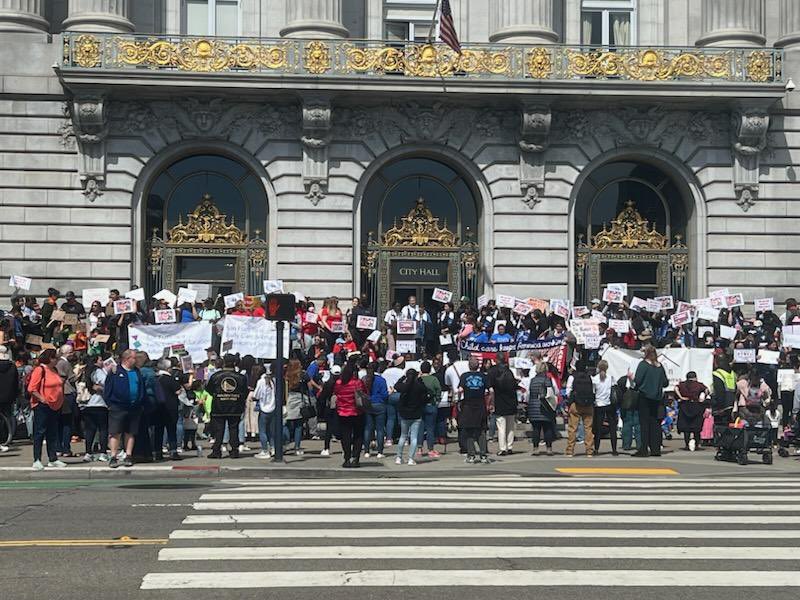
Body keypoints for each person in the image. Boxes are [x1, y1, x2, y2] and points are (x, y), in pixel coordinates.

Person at [104, 349, 145, 468]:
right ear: (127, 359)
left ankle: (128, 455)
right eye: (134, 358)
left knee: (130, 432)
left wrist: (140, 401)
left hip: (134, 407)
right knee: (115, 432)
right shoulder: (115, 371)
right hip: (117, 406)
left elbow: (141, 386)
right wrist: (110, 403)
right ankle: (113, 456)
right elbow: (108, 389)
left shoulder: (137, 371)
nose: (136, 360)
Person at [27, 348, 66, 471]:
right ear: (50, 358)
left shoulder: (54, 370)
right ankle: (37, 459)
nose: (57, 360)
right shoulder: (40, 370)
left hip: (55, 405)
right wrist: (42, 399)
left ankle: (52, 458)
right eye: (55, 358)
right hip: (43, 405)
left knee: (52, 432)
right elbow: (32, 388)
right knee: (39, 432)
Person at [206, 354, 249, 459]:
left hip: (219, 406)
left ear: (224, 362)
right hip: (235, 406)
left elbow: (209, 389)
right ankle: (234, 451)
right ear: (234, 363)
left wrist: (220, 396)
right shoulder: (241, 377)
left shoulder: (216, 376)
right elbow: (245, 392)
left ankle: (217, 451)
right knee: (234, 429)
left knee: (219, 430)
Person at [631, 346, 669, 457]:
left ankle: (643, 449)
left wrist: (633, 378)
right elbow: (665, 383)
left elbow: (638, 380)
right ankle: (655, 449)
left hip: (644, 397)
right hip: (657, 398)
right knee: (655, 424)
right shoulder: (659, 366)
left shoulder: (643, 365)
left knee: (644, 424)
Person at [333, 362, 367, 468]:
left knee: (345, 436)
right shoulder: (357, 383)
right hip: (357, 412)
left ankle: (347, 458)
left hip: (343, 412)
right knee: (358, 435)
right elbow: (364, 393)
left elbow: (336, 393)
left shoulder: (339, 383)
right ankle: (355, 458)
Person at [457, 356, 491, 464]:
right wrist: (490, 403)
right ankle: (483, 455)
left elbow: (460, 390)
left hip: (468, 405)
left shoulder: (464, 376)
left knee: (469, 431)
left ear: (469, 365)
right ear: (478, 366)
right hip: (480, 405)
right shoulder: (483, 376)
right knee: (481, 430)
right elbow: (491, 390)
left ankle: (471, 455)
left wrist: (458, 401)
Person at [394, 368, 428, 465]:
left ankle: (399, 457)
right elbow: (425, 391)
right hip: (416, 413)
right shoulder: (418, 387)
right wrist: (420, 380)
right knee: (414, 437)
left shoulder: (404, 386)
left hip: (404, 413)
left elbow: (396, 386)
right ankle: (410, 459)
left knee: (403, 436)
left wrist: (403, 377)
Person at [80, 354, 109, 462]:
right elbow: (106, 382)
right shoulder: (98, 371)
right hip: (99, 403)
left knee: (90, 429)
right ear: (96, 361)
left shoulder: (84, 371)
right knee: (103, 429)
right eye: (101, 359)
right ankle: (103, 452)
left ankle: (88, 452)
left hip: (86, 403)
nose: (102, 361)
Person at [489, 353, 518, 456]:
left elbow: (490, 388)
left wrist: (491, 403)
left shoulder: (492, 371)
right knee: (510, 426)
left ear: (496, 360)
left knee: (501, 426)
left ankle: (503, 448)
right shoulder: (509, 371)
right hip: (511, 401)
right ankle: (510, 447)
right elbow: (515, 386)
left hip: (499, 401)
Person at [527, 362, 558, 456]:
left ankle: (535, 448)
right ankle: (549, 448)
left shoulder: (532, 380)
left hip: (533, 407)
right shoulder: (547, 380)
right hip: (545, 407)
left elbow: (530, 393)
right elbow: (554, 392)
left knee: (536, 429)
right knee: (547, 428)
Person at [153, 358, 182, 461]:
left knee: (158, 431)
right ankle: (173, 451)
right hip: (170, 408)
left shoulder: (155, 378)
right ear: (168, 368)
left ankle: (157, 452)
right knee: (171, 430)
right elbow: (178, 391)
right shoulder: (169, 379)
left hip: (157, 407)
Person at [565, 362, 595, 457]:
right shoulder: (589, 377)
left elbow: (568, 391)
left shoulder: (572, 377)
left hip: (576, 404)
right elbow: (593, 390)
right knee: (588, 428)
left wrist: (570, 402)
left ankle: (570, 450)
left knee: (573, 428)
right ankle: (589, 450)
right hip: (588, 404)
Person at [54, 345, 78, 457]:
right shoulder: (65, 363)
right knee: (67, 422)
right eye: (71, 352)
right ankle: (65, 448)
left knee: (59, 422)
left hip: (60, 394)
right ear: (67, 353)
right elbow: (72, 378)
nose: (73, 354)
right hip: (67, 393)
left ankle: (58, 447)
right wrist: (79, 372)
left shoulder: (57, 363)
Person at [675, 371, 708, 451]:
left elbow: (676, 388)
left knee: (686, 428)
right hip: (696, 406)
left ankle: (687, 445)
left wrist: (681, 397)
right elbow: (706, 390)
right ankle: (696, 445)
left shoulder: (682, 384)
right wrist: (703, 398)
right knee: (696, 428)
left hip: (685, 405)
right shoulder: (699, 385)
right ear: (695, 377)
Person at [591, 360, 618, 456]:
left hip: (599, 405)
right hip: (609, 405)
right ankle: (614, 449)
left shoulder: (595, 379)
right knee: (612, 428)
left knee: (597, 428)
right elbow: (614, 390)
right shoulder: (611, 378)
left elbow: (593, 392)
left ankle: (596, 449)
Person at [363, 363, 388, 459]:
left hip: (368, 404)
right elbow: (385, 394)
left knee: (368, 428)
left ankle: (366, 451)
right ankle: (380, 451)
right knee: (380, 429)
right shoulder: (381, 380)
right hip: (379, 404)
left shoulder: (364, 379)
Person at [417, 361, 442, 458]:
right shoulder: (433, 379)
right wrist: (437, 400)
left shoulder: (418, 379)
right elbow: (438, 390)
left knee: (420, 427)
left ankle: (419, 449)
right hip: (431, 405)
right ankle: (430, 449)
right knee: (430, 428)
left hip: (420, 406)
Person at [284, 359, 307, 456]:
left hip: (289, 398)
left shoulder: (286, 375)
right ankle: (297, 447)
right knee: (299, 425)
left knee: (286, 422)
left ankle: (286, 442)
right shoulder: (302, 375)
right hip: (299, 399)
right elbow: (308, 386)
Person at [253, 365, 276, 458]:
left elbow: (256, 395)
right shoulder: (273, 381)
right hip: (273, 408)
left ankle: (265, 450)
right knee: (271, 431)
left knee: (262, 431)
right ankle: (273, 448)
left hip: (263, 409)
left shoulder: (261, 382)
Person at [0, 345, 18, 453]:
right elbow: (16, 383)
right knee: (8, 416)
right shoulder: (12, 366)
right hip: (8, 397)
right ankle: (7, 438)